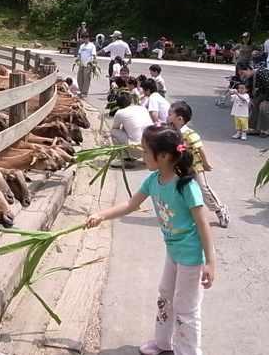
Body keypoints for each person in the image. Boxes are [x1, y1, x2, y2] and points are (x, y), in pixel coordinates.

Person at [86, 125, 215, 355]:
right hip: (174, 251)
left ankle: (188, 352)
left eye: (146, 151)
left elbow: (203, 225)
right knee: (165, 295)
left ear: (163, 156)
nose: (142, 156)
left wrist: (210, 262)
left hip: (192, 257)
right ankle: (163, 342)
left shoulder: (187, 186)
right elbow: (130, 205)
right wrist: (100, 215)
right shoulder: (153, 179)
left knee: (186, 307)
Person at [168, 101, 231, 228]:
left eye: (170, 114)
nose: (167, 116)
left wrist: (206, 163)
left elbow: (200, 148)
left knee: (203, 189)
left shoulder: (189, 133)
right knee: (182, 188)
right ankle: (185, 213)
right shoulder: (174, 132)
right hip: (182, 166)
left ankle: (220, 209)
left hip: (195, 166)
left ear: (179, 118)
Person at [236, 62, 269, 138]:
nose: (242, 76)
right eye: (240, 74)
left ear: (248, 69)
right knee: (254, 105)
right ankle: (255, 129)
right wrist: (251, 99)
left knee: (264, 109)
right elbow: (251, 88)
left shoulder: (261, 72)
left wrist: (266, 100)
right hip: (263, 91)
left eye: (243, 73)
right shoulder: (250, 77)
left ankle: (265, 130)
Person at [110, 92, 153, 168]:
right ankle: (146, 157)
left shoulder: (120, 112)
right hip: (153, 148)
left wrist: (124, 127)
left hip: (138, 148)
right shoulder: (143, 108)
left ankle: (127, 161)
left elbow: (115, 128)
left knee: (113, 132)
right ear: (131, 101)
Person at [76, 33, 96, 98]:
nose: (83, 40)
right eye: (82, 39)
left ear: (87, 38)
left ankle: (84, 92)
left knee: (86, 79)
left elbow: (93, 55)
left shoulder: (92, 46)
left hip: (88, 64)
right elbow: (80, 54)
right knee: (79, 77)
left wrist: (93, 63)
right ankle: (81, 90)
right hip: (81, 64)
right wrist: (79, 61)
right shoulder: (82, 46)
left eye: (84, 38)